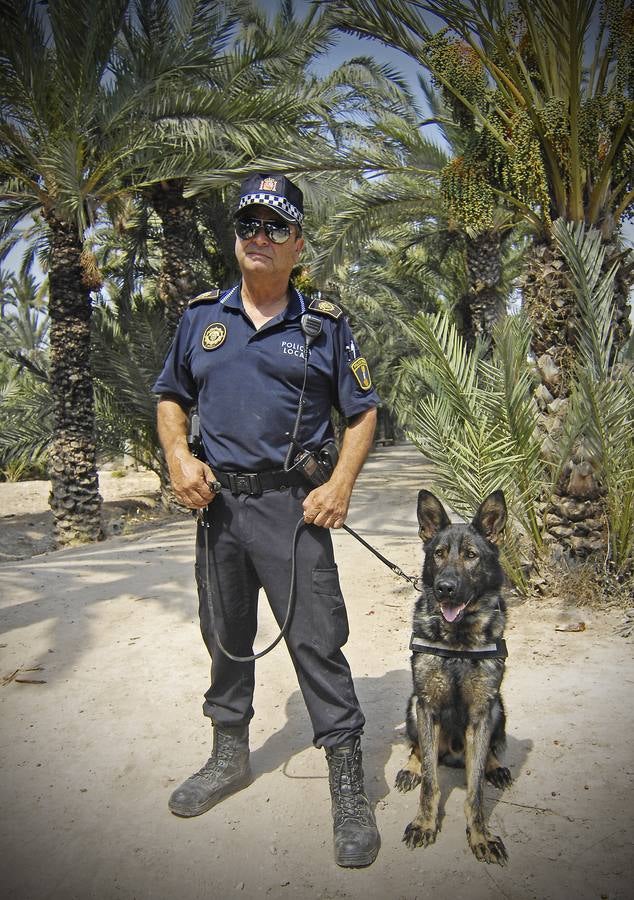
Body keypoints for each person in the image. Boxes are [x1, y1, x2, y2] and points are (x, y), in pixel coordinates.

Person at [153, 173, 381, 868]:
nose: (259, 237)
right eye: (249, 224)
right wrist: (176, 458)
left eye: (276, 227)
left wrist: (339, 484)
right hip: (218, 506)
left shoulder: (324, 326)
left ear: (298, 244)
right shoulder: (201, 319)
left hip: (295, 508)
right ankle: (229, 754)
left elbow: (363, 411)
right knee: (226, 635)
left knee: (316, 638)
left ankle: (346, 782)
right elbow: (171, 396)